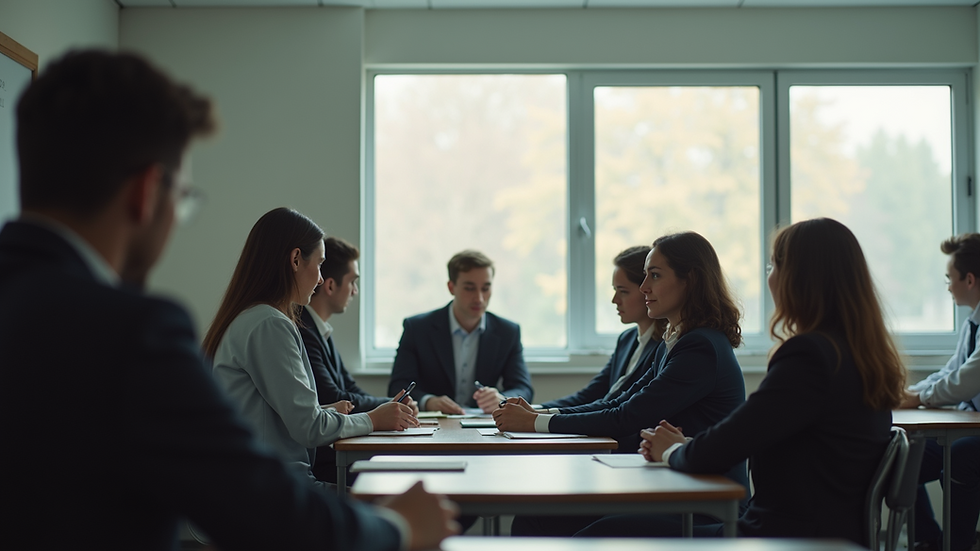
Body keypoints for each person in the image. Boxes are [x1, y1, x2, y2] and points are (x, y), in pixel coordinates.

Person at [0, 49, 457, 550]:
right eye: (184, 200)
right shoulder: (133, 333)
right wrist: (398, 526)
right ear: (147, 192)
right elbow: (259, 504)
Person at [591, 218, 906, 546]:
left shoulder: (809, 356)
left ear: (799, 277)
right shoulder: (859, 354)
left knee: (601, 533)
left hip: (782, 538)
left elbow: (730, 441)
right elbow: (751, 437)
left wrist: (670, 450)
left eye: (773, 265)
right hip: (826, 535)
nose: (770, 277)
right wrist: (685, 447)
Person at [494, 232, 746, 536]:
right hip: (672, 483)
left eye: (654, 275)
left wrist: (535, 422)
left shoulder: (701, 347)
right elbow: (616, 402)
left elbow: (628, 416)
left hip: (704, 501)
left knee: (587, 535)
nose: (644, 288)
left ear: (689, 280)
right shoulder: (675, 340)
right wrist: (538, 417)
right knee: (533, 518)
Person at [204, 208, 419, 493]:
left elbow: (274, 415)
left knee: (386, 495)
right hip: (274, 489)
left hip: (261, 482)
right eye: (319, 265)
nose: (319, 279)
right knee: (392, 503)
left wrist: (325, 411)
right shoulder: (269, 324)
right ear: (295, 260)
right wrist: (373, 419)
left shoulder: (252, 318)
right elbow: (309, 428)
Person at [299, 236, 419, 483]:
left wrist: (392, 405)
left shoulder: (320, 330)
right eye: (353, 282)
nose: (355, 291)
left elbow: (349, 388)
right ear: (330, 286)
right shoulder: (303, 329)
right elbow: (333, 396)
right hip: (322, 461)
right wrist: (388, 408)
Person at [901, 233, 980, 551]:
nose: (948, 286)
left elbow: (968, 380)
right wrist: (909, 392)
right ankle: (928, 540)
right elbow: (950, 372)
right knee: (907, 453)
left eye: (950, 278)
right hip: (971, 426)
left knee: (961, 456)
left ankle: (955, 546)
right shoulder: (972, 323)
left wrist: (918, 398)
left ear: (970, 279)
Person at [388, 249, 533, 414]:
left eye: (485, 288)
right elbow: (397, 387)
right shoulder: (417, 328)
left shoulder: (508, 331)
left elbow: (523, 388)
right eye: (470, 288)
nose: (479, 298)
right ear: (451, 287)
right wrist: (429, 401)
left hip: (485, 427)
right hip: (432, 425)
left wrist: (502, 399)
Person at [540, 245, 664, 409]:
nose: (615, 300)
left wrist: (539, 417)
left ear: (647, 290)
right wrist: (537, 409)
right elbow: (590, 394)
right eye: (615, 290)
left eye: (623, 291)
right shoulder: (626, 339)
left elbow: (619, 406)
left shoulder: (664, 346)